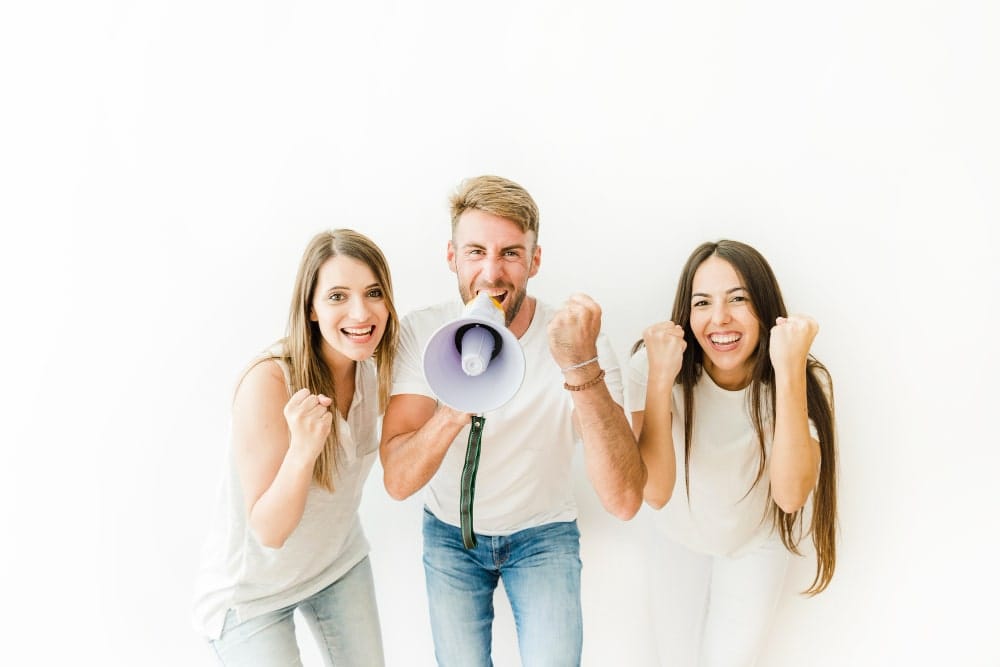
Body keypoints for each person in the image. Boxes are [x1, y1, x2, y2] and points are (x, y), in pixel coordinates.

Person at [379, 174, 646, 666]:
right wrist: (457, 402)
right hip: (450, 538)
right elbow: (397, 481)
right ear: (452, 257)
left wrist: (581, 366)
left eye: (510, 253)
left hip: (542, 536)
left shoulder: (576, 339)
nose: (491, 273)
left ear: (534, 261)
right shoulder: (422, 333)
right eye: (476, 251)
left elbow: (625, 500)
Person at [192, 229, 399, 666]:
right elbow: (269, 531)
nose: (360, 313)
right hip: (251, 595)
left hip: (337, 563)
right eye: (338, 296)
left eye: (373, 292)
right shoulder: (269, 381)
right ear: (311, 307)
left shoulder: (376, 366)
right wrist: (303, 451)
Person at [627, 239, 837, 667]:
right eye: (702, 302)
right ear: (687, 315)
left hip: (756, 540)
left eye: (738, 299)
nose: (719, 319)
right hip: (676, 532)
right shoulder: (652, 366)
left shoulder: (804, 376)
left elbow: (791, 495)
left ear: (764, 306)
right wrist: (660, 380)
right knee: (674, 658)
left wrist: (790, 370)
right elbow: (656, 492)